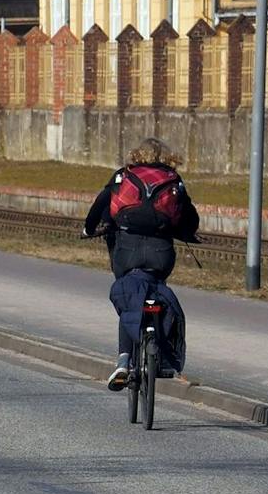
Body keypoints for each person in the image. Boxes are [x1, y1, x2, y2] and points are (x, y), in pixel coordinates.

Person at [81, 138, 200, 390]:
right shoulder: (173, 179)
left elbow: (100, 205)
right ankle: (162, 355)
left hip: (127, 251)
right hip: (161, 252)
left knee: (129, 302)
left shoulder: (123, 176)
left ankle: (123, 361)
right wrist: (187, 233)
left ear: (136, 155)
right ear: (166, 157)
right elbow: (189, 216)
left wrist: (89, 228)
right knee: (156, 290)